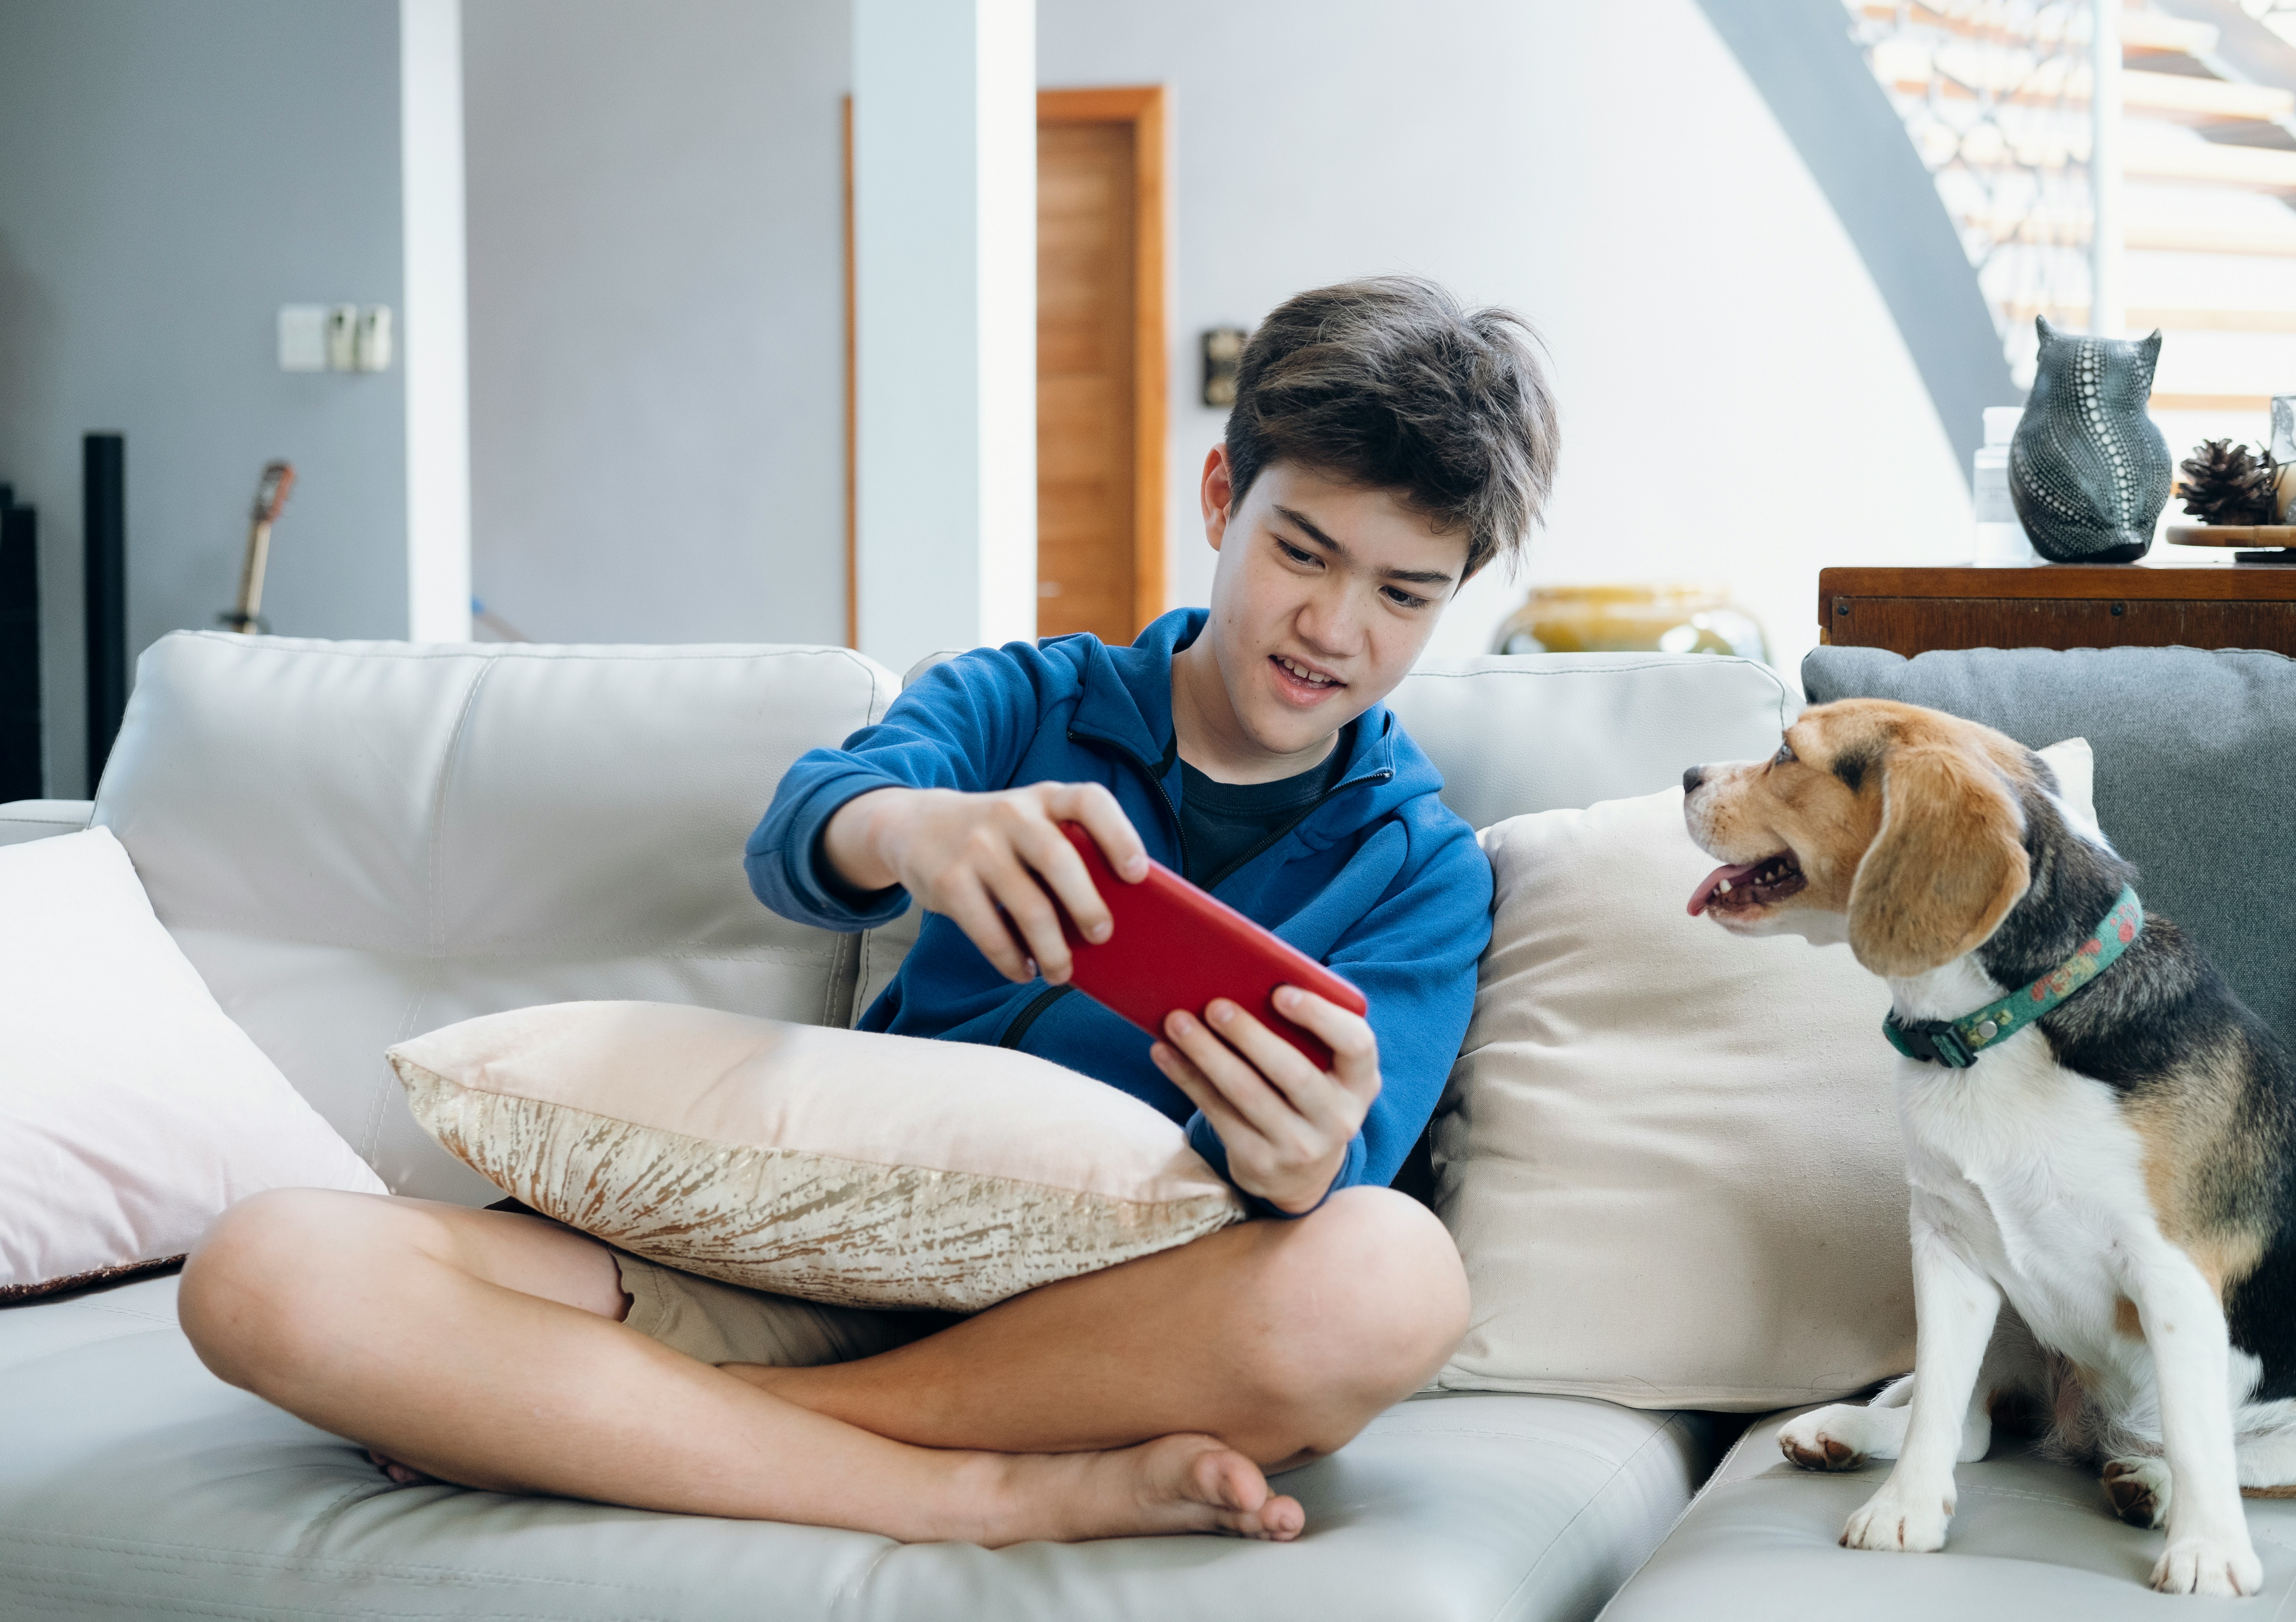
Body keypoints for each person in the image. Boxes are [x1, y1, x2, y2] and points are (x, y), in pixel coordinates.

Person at [179, 276, 1561, 1548]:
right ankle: (962, 1492)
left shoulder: (1419, 867)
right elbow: (812, 821)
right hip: (775, 1251)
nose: (1335, 627)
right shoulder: (1025, 699)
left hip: (1085, 1336)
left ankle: (618, 1420)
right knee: (267, 1271)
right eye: (1303, 553)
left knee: (1389, 1276)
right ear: (1220, 497)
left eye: (1402, 594)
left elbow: (1334, 1182)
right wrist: (914, 827)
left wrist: (1309, 1153)